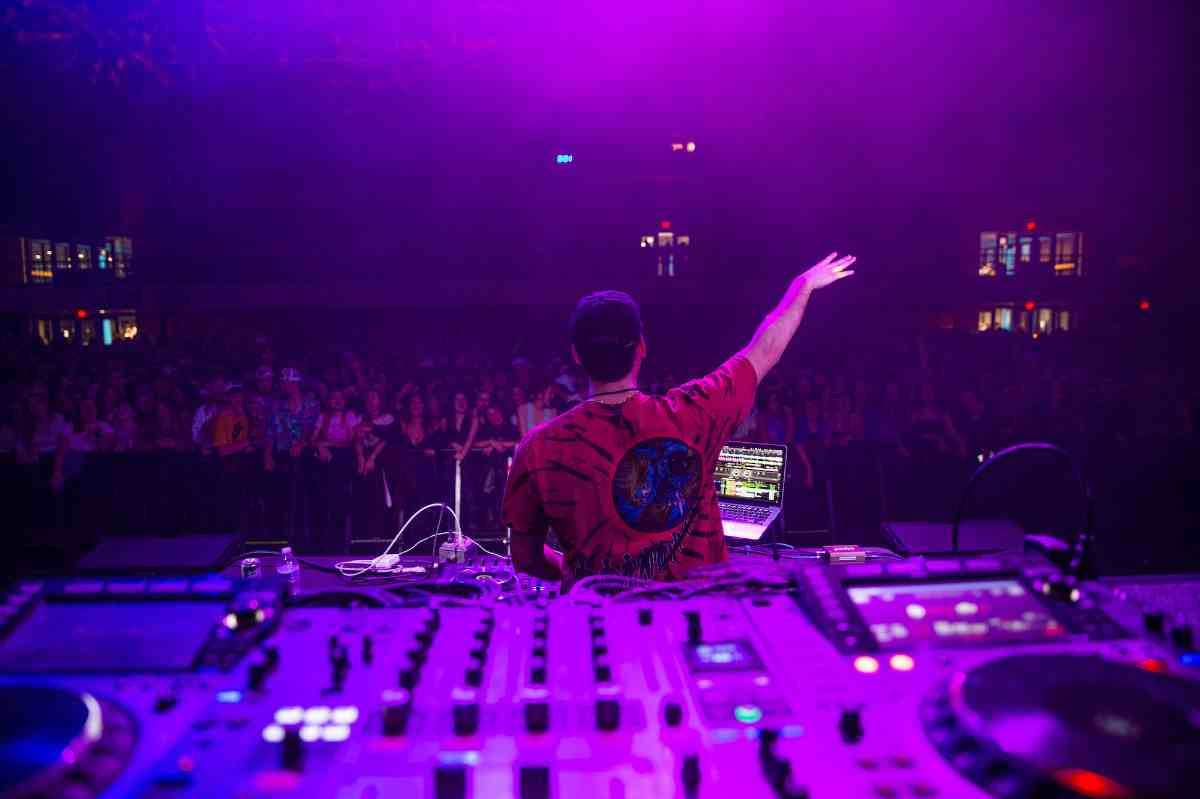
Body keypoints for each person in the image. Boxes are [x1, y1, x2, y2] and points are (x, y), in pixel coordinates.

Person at [503, 252, 855, 588]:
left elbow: (526, 559)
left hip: (596, 621)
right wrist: (802, 286)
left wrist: (583, 570)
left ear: (577, 355)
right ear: (641, 346)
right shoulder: (694, 411)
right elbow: (764, 350)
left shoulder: (539, 447)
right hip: (698, 621)